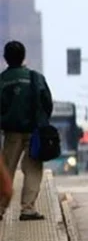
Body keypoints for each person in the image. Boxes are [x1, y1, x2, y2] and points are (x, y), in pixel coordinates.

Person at [0, 41, 53, 221]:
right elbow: (47, 102)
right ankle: (28, 209)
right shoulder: (35, 78)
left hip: (11, 133)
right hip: (34, 133)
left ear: (5, 58)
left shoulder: (2, 80)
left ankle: (0, 208)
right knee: (33, 169)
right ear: (23, 57)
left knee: (6, 170)